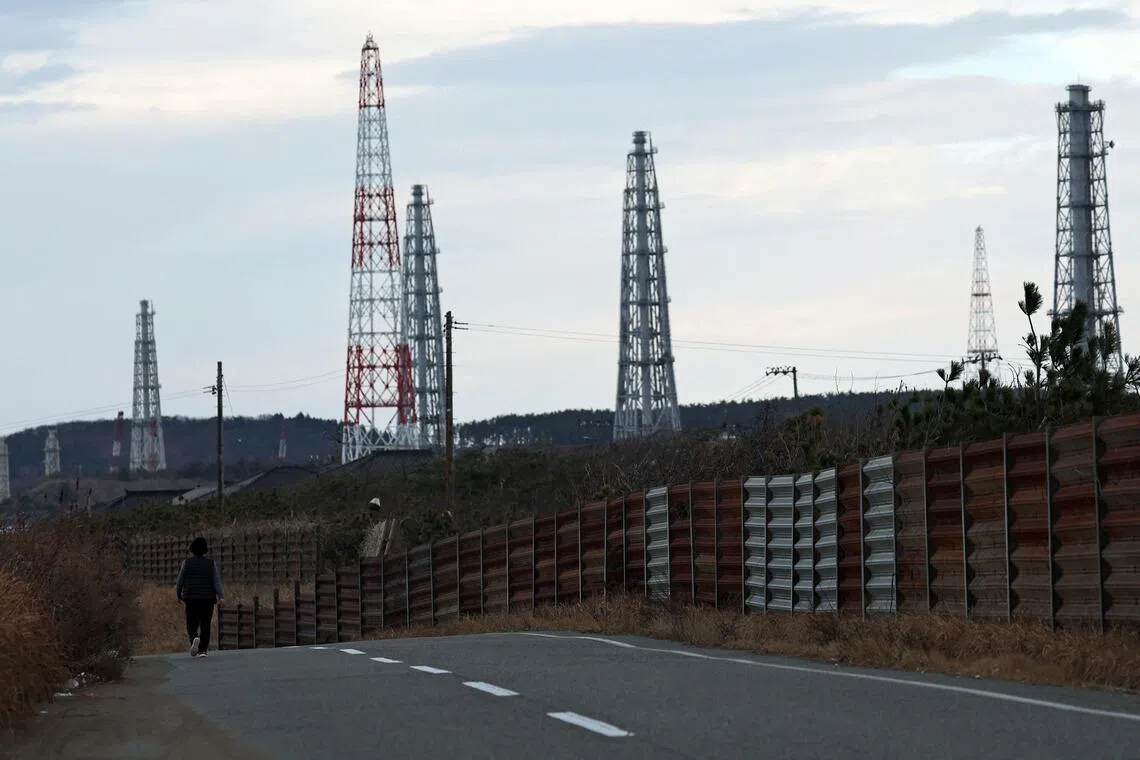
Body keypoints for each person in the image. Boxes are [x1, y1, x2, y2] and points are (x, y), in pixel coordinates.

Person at [175, 536, 225, 657]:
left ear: (192, 549)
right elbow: (216, 581)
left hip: (191, 597)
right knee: (205, 623)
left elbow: (180, 580)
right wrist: (221, 596)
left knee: (191, 622)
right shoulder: (210, 563)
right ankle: (203, 650)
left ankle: (194, 639)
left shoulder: (186, 563)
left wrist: (178, 594)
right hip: (207, 598)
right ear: (205, 549)